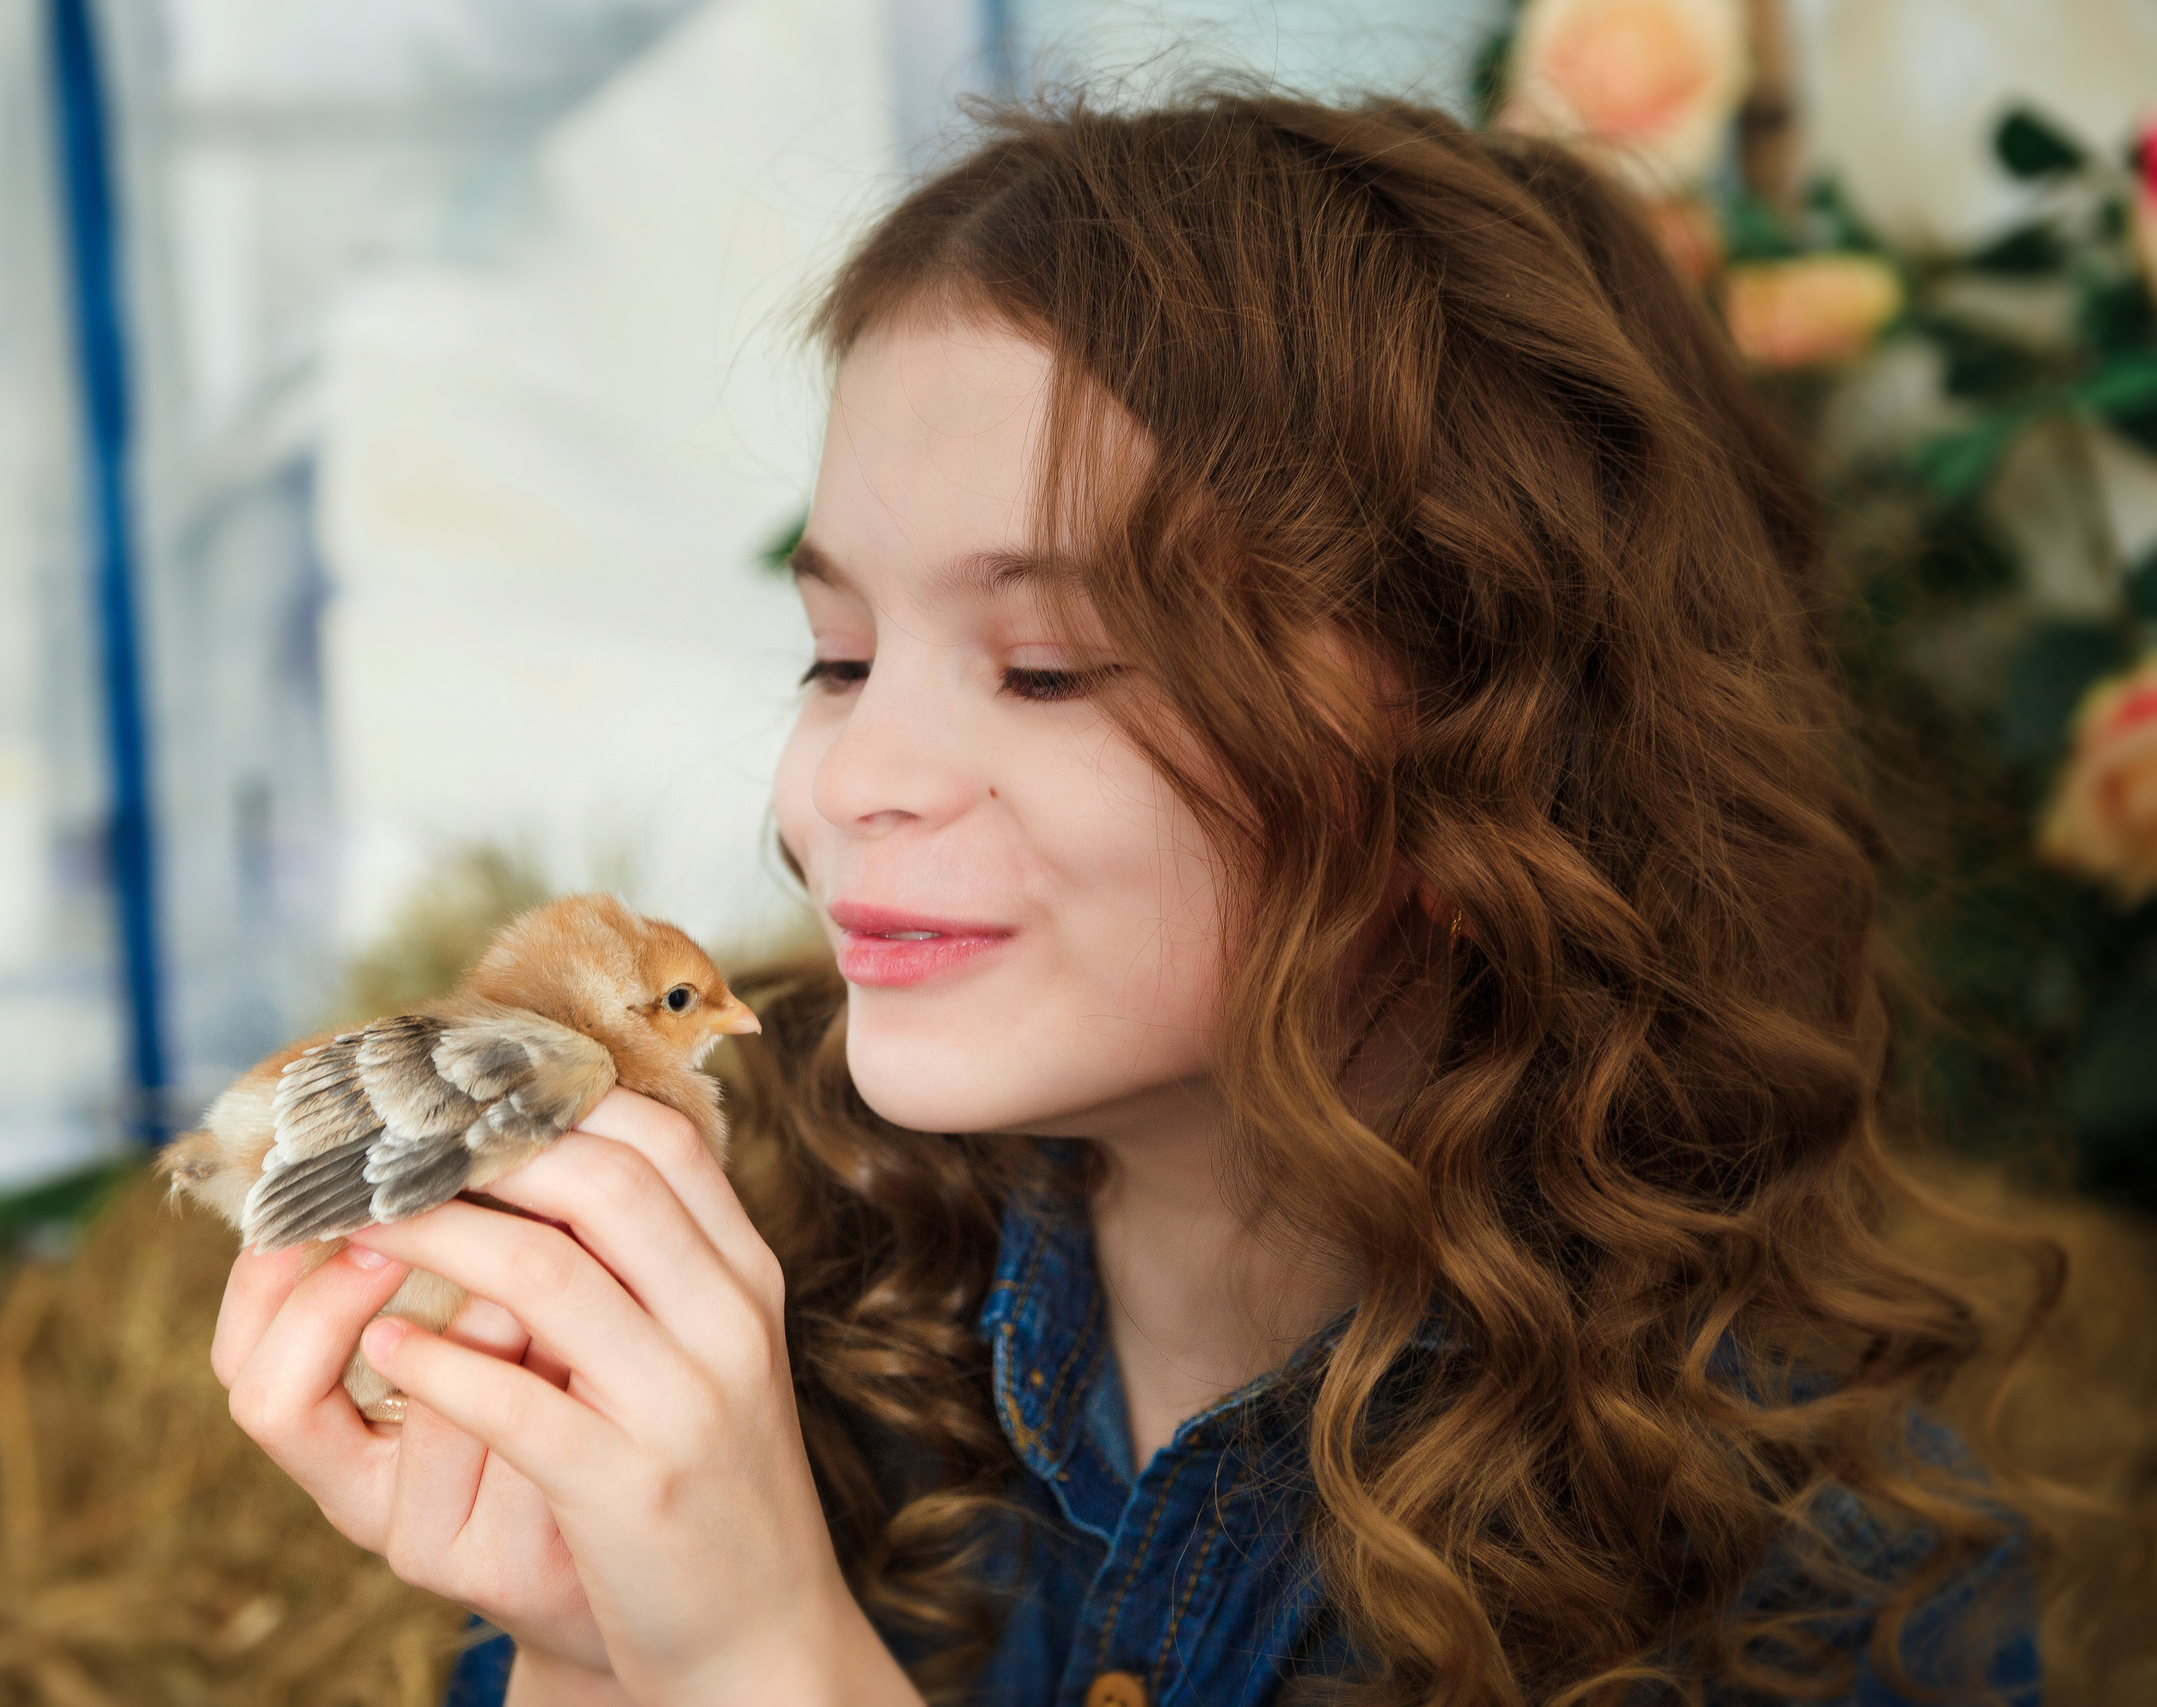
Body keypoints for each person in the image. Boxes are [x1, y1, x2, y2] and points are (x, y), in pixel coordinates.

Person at [208, 91, 2048, 1707]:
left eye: (1054, 667)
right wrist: (596, 1651)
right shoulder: (785, 1312)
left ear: (1488, 761)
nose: (852, 778)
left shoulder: (1802, 1581)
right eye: (838, 657)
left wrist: (764, 1658)